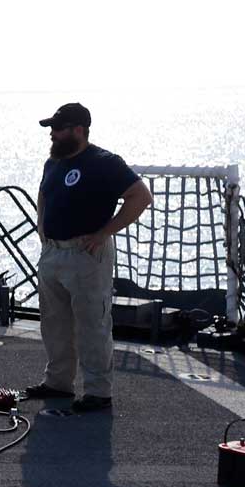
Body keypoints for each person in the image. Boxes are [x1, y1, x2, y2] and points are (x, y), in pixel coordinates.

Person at [26, 102, 153, 413]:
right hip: (53, 253)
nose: (52, 135)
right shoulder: (52, 163)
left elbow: (140, 196)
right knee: (54, 323)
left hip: (86, 255)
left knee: (92, 324)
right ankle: (58, 382)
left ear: (78, 130)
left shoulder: (104, 162)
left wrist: (104, 233)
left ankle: (98, 391)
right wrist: (42, 227)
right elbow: (44, 193)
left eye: (58, 129)